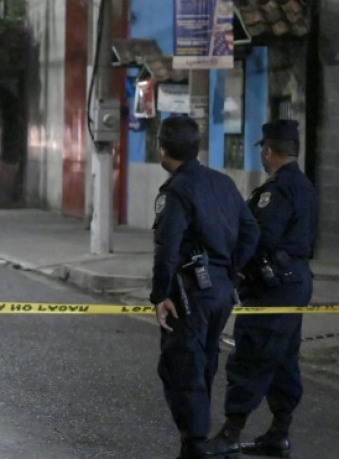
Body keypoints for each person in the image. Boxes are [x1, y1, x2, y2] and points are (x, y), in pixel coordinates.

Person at [204, 120, 318, 458]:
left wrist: (234, 269)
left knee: (251, 355)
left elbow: (260, 238)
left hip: (273, 287)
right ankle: (278, 434)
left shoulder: (277, 190)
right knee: (283, 358)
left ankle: (230, 432)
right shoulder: (306, 186)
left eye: (263, 152)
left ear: (268, 151)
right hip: (295, 281)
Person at [150, 115, 259, 459]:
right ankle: (193, 443)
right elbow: (251, 232)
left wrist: (160, 295)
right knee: (205, 362)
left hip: (190, 292)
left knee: (182, 365)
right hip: (220, 291)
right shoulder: (223, 183)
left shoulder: (177, 191)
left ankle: (196, 445)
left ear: (163, 149)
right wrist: (230, 272)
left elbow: (167, 250)